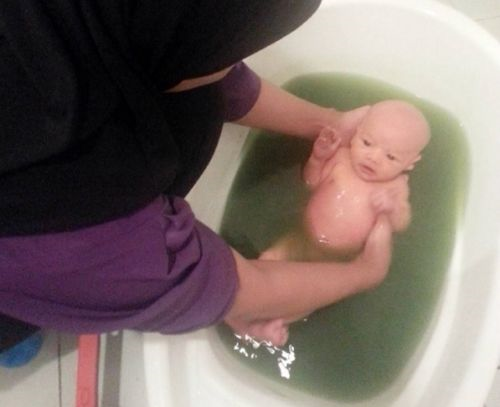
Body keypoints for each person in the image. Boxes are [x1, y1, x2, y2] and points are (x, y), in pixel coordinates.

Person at [0, 0, 392, 351]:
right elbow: (247, 287)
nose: (234, 64)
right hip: (32, 251)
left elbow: (201, 63)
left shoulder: (90, 24)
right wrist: (366, 272)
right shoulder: (67, 221)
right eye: (232, 53)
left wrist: (330, 124)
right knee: (22, 318)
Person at [261, 100, 430, 262]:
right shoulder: (341, 158)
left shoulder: (396, 187)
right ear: (357, 132)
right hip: (303, 235)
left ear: (411, 163)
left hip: (343, 258)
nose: (373, 158)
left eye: (391, 157)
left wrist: (392, 208)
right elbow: (310, 183)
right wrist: (317, 160)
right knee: (270, 258)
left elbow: (401, 224)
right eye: (367, 143)